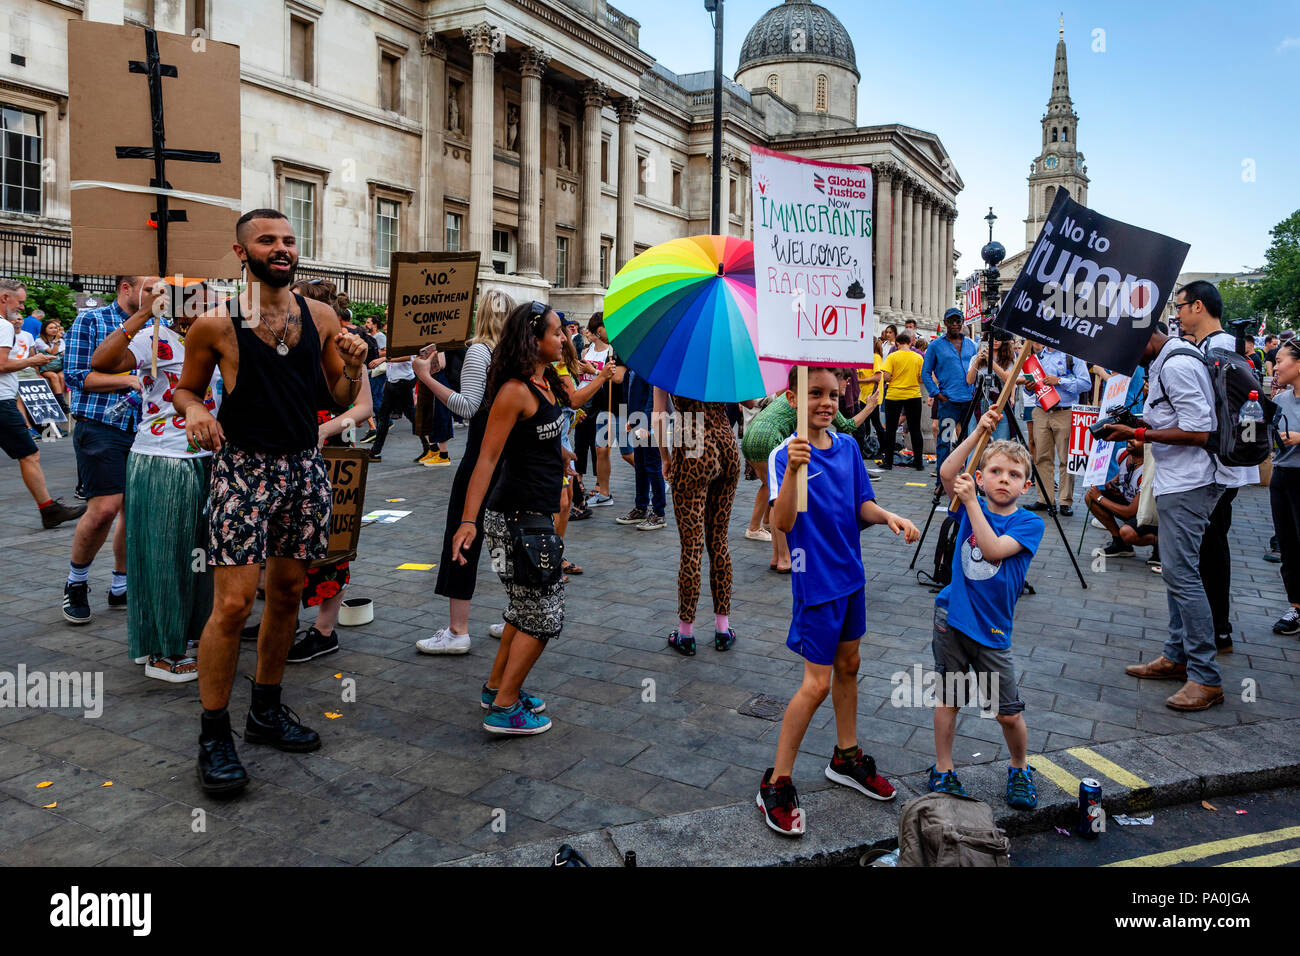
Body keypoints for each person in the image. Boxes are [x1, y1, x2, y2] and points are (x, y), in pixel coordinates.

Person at [174, 208, 370, 793]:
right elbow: (185, 387)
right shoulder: (215, 324)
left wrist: (355, 369)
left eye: (288, 239)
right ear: (242, 254)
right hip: (242, 470)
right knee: (233, 607)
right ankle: (214, 734)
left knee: (288, 593)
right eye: (268, 240)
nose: (282, 248)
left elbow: (334, 394)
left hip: (305, 468)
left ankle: (265, 709)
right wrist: (197, 410)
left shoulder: (322, 315)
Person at [756, 367, 919, 836]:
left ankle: (846, 757)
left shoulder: (847, 447)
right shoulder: (786, 453)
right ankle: (778, 781)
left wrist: (888, 515)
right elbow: (782, 522)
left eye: (833, 394)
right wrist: (794, 469)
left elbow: (860, 504)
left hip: (851, 576)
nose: (827, 402)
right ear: (791, 397)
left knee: (850, 665)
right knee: (816, 684)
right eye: (815, 394)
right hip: (816, 580)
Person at [90, 279, 221, 681]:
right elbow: (102, 362)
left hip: (207, 458)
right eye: (204, 299)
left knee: (200, 557)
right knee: (165, 557)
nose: (213, 305)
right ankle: (162, 649)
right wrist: (147, 311)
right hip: (164, 458)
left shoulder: (215, 339)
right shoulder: (154, 336)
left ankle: (190, 635)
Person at [449, 300, 569, 735]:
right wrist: (468, 521)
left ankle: (498, 687)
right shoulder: (514, 391)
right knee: (545, 615)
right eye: (556, 332)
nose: (563, 338)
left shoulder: (545, 383)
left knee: (522, 608)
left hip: (532, 516)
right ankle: (504, 708)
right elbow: (487, 459)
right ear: (532, 340)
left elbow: (537, 439)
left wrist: (563, 456)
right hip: (514, 521)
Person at [1099, 323, 1225, 712]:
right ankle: (1177, 656)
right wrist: (1135, 426)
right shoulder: (1163, 362)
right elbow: (1174, 417)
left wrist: (1141, 432)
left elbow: (1200, 430)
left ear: (1146, 338)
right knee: (1175, 572)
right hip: (1176, 480)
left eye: (1129, 351)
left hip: (1190, 482)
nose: (1129, 361)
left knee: (1184, 575)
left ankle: (1205, 677)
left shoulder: (1175, 366)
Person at [927, 409, 1044, 809]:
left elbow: (993, 549)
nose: (1003, 480)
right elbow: (947, 471)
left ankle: (1019, 767)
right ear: (981, 476)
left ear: (1026, 486)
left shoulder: (1029, 524)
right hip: (952, 620)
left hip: (993, 632)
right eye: (994, 471)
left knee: (1007, 713)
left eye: (1013, 475)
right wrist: (979, 432)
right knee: (949, 699)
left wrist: (971, 502)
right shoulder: (965, 500)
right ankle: (943, 769)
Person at [409, 287, 514, 654]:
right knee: (507, 537)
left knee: (463, 534)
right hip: (512, 458)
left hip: (482, 457)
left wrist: (426, 378)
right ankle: (516, 615)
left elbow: (467, 407)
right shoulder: (514, 354)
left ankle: (458, 630)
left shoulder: (480, 351)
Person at [285, 279, 375, 663]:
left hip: (332, 454)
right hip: (288, 451)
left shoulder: (345, 350)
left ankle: (324, 629)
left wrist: (326, 428)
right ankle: (283, 621)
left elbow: (363, 408)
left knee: (331, 543)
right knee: (286, 540)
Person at [63, 275, 156, 623]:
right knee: (104, 508)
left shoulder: (164, 325)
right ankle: (76, 581)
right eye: (149, 289)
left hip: (146, 430)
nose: (157, 296)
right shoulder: (93, 319)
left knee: (133, 511)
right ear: (126, 289)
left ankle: (121, 584)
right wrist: (128, 378)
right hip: (103, 425)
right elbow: (74, 375)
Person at [1175, 281, 1255, 654]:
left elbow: (1213, 414)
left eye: (1180, 306)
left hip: (1220, 464)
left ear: (1199, 307)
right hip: (1221, 462)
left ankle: (1217, 629)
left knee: (1210, 546)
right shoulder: (1212, 347)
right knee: (1210, 543)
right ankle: (1214, 627)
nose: (1177, 314)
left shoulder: (1217, 349)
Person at [740, 366, 877, 572]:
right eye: (846, 381)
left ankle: (764, 538)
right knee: (781, 496)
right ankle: (785, 558)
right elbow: (848, 425)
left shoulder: (805, 387)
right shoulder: (818, 393)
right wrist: (870, 407)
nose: (845, 386)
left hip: (753, 433)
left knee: (771, 488)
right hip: (769, 436)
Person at [655, 380, 740, 655]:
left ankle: (686, 633)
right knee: (719, 541)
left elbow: (659, 415)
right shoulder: (720, 354)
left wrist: (665, 457)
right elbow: (748, 403)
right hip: (726, 441)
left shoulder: (668, 358)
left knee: (691, 547)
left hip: (691, 441)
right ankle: (723, 629)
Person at [0, 280, 83, 530]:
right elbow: (2, 365)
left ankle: (49, 509)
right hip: (2, 401)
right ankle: (48, 509)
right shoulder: (3, 325)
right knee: (30, 454)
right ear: (5, 298)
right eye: (20, 301)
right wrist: (31, 360)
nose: (22, 307)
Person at [1026, 343, 1090, 516]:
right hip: (1041, 410)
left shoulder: (1072, 355)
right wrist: (1029, 387)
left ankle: (1064, 501)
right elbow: (1030, 388)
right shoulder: (1038, 357)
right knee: (1041, 457)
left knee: (1065, 458)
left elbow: (1086, 383)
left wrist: (1060, 381)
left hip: (1064, 411)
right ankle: (1045, 498)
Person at [1267, 337, 1300, 636]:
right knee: (1288, 547)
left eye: (1280, 360)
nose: (1275, 366)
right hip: (1281, 477)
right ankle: (1296, 607)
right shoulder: (1279, 401)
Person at [923, 308, 980, 479]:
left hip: (969, 402)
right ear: (945, 322)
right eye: (951, 321)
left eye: (958, 321)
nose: (955, 324)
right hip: (948, 403)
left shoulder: (972, 345)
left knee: (970, 441)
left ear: (962, 322)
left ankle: (969, 479)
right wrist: (936, 393)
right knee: (944, 442)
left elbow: (978, 369)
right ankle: (942, 481)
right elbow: (925, 373)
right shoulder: (935, 346)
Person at [574, 313, 618, 506]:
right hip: (583, 398)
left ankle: (601, 485)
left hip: (601, 401)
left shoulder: (611, 351)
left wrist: (595, 372)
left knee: (598, 446)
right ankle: (579, 479)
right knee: (580, 442)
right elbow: (579, 373)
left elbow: (614, 378)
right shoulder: (587, 351)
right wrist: (580, 370)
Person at [615, 364, 666, 530]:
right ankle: (641, 507)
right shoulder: (637, 363)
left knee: (652, 465)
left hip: (648, 423)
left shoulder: (652, 363)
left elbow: (654, 395)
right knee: (641, 466)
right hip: (637, 420)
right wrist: (631, 418)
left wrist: (647, 424)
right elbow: (632, 392)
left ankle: (659, 512)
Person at [1084, 442, 1154, 560]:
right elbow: (1122, 473)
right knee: (1089, 497)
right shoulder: (1122, 454)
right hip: (1129, 502)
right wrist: (1113, 482)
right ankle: (1120, 544)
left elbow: (1129, 512)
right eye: (1130, 435)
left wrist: (1100, 498)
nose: (1130, 440)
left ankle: (1159, 543)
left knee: (1126, 532)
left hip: (1147, 515)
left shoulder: (1149, 469)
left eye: (1137, 438)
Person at [879, 331, 926, 470]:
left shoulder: (892, 356)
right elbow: (921, 379)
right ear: (910, 343)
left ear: (898, 343)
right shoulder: (918, 357)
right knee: (915, 429)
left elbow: (886, 376)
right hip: (913, 395)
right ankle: (918, 462)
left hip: (894, 395)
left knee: (891, 429)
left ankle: (888, 462)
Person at [368, 344, 417, 461]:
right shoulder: (392, 339)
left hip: (402, 381)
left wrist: (384, 358)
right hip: (393, 382)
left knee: (411, 415)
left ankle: (430, 445)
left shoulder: (405, 338)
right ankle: (374, 451)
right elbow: (384, 354)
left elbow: (407, 356)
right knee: (384, 416)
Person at [967, 334, 1019, 441]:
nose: (995, 341)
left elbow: (1008, 379)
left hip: (1000, 404)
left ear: (1004, 341)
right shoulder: (975, 358)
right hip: (979, 403)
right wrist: (977, 360)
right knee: (975, 440)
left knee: (1001, 441)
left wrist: (991, 361)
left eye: (999, 338)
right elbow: (970, 380)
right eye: (992, 338)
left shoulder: (1010, 358)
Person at [34, 318, 68, 411]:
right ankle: (60, 402)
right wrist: (56, 340)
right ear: (45, 329)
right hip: (45, 368)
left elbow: (63, 352)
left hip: (58, 366)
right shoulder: (39, 341)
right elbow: (53, 352)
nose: (54, 330)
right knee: (54, 376)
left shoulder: (61, 341)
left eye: (55, 328)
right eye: (51, 328)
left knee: (62, 376)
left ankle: (61, 402)